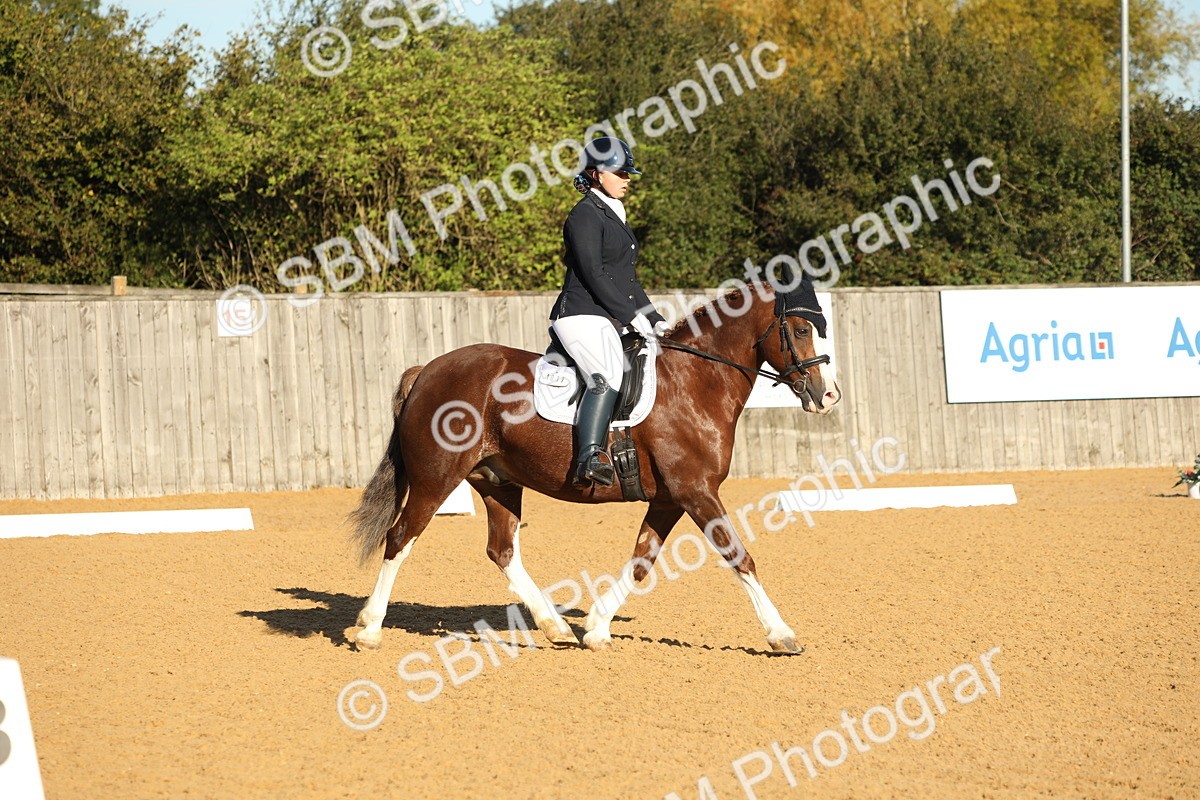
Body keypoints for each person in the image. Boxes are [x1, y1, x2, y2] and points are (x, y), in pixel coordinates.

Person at [549, 137, 669, 489]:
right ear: (597, 173)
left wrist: (655, 317)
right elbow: (594, 274)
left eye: (628, 171)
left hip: (608, 315)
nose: (628, 177)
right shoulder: (584, 215)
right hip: (581, 314)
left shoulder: (613, 213)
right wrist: (631, 317)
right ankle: (588, 457)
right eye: (620, 172)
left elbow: (627, 280)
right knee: (607, 374)